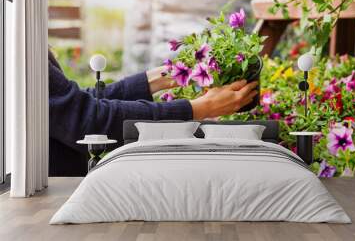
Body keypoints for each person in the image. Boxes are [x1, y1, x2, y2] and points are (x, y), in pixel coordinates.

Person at [49, 51, 258, 176]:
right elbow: (86, 118)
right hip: (53, 193)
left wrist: (162, 77)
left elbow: (74, 101)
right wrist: (199, 108)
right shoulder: (23, 40)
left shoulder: (24, 26)